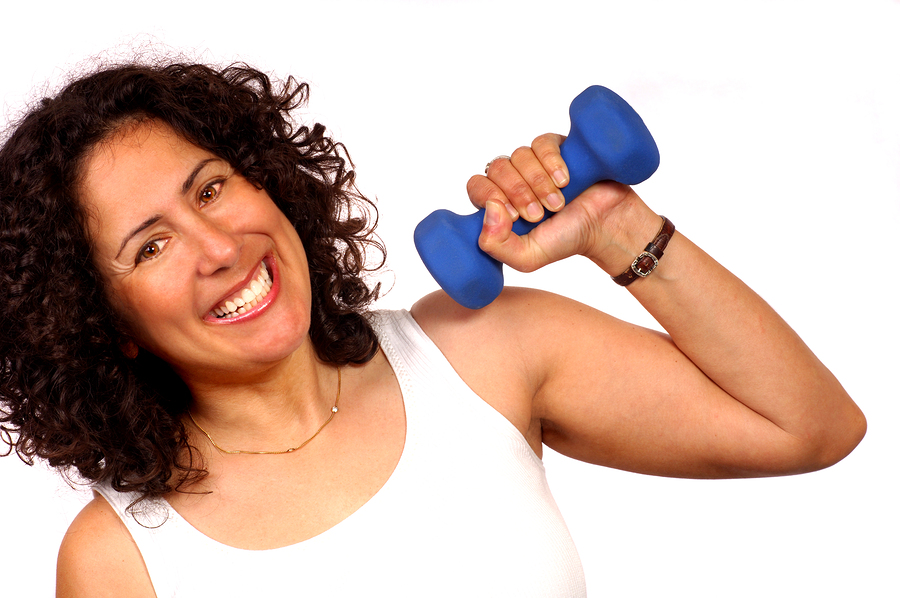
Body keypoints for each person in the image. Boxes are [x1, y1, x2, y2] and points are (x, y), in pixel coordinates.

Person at [0, 61, 865, 597]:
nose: (220, 247)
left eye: (213, 188)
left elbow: (810, 427)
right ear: (99, 322)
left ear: (268, 179)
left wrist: (616, 229)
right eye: (151, 246)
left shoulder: (478, 352)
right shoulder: (121, 564)